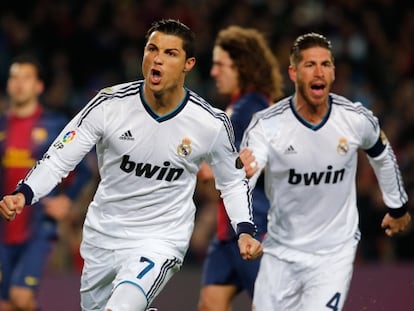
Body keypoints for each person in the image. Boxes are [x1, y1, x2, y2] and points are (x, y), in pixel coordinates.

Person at [0, 19, 263, 311]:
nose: (157, 58)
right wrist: (24, 193)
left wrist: (245, 230)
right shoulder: (108, 105)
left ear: (188, 64)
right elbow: (60, 157)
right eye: (152, 49)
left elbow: (231, 180)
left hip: (159, 240)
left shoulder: (209, 123)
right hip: (103, 238)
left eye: (170, 53)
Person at [239, 32, 411, 311]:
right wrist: (245, 225)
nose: (319, 71)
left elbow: (381, 154)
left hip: (333, 253)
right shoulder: (268, 125)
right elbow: (245, 175)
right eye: (310, 65)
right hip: (281, 251)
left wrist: (397, 206)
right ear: (294, 73)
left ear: (332, 72)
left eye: (326, 64)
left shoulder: (355, 119)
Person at [195, 25, 283, 311]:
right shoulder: (242, 107)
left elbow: (215, 166)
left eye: (221, 65)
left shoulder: (248, 108)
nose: (213, 72)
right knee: (210, 304)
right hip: (228, 233)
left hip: (257, 228)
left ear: (242, 68)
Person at [0, 55, 91, 310]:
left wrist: (66, 199)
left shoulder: (54, 125)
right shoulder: (2, 125)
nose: (19, 84)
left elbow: (82, 171)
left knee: (21, 297)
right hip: (3, 227)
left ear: (39, 86)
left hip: (38, 226)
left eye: (26, 78)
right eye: (14, 77)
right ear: (8, 84)